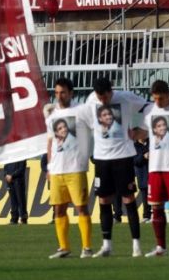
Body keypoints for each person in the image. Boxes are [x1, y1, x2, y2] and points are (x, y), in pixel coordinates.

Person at [82, 76, 150, 258]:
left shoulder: (125, 98)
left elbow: (149, 107)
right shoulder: (90, 100)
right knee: (104, 201)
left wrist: (142, 129)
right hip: (102, 159)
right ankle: (107, 246)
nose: (103, 100)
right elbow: (87, 123)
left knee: (128, 199)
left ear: (111, 91)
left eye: (105, 96)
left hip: (123, 157)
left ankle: (136, 245)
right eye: (100, 97)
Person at [135, 80, 169, 258]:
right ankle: (161, 247)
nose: (158, 101)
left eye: (161, 98)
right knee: (156, 208)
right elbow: (143, 132)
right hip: (155, 167)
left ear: (168, 95)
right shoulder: (150, 111)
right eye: (155, 98)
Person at [45, 76, 92, 259]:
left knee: (81, 208)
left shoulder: (81, 111)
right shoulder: (52, 116)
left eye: (63, 92)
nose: (59, 96)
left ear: (71, 93)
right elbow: (49, 143)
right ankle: (64, 247)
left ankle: (87, 248)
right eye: (56, 92)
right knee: (59, 209)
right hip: (57, 170)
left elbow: (96, 126)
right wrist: (49, 166)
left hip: (75, 168)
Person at [134, 137, 151, 222]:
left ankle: (155, 214)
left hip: (153, 173)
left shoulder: (151, 142)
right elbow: (135, 161)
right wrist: (144, 156)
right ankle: (146, 215)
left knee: (156, 194)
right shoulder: (134, 146)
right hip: (143, 174)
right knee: (145, 196)